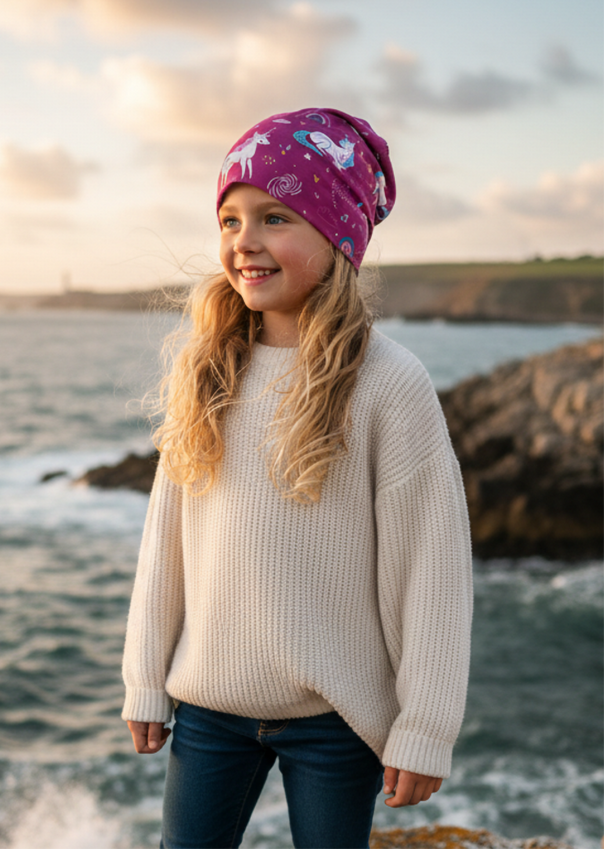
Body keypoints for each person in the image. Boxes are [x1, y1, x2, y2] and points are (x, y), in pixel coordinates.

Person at [121, 107, 473, 849]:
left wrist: (425, 726)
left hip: (334, 718)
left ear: (337, 235)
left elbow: (433, 569)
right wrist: (144, 676)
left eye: (274, 216)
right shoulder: (208, 366)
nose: (244, 240)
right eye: (229, 219)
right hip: (209, 710)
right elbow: (167, 542)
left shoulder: (388, 383)